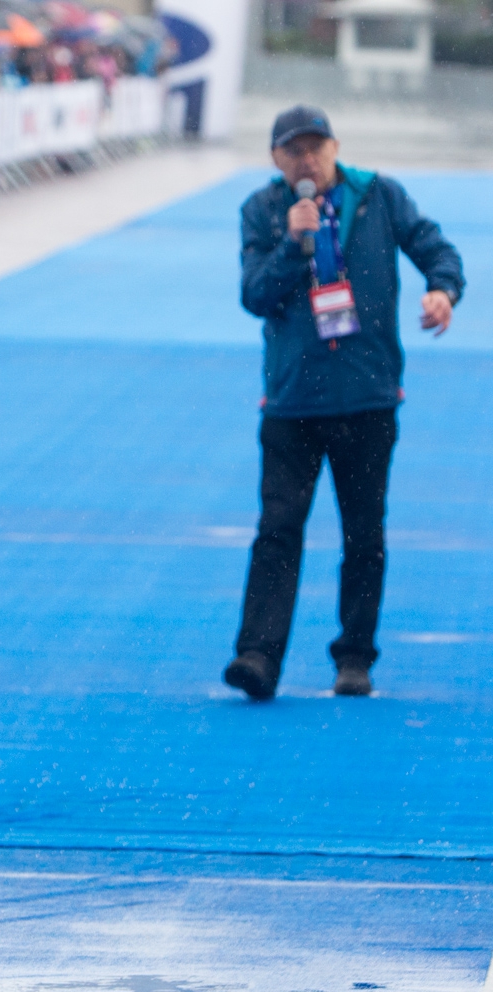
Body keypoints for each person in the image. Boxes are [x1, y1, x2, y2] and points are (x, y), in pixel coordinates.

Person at [224, 106, 465, 701]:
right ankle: (257, 656)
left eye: (315, 148)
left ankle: (354, 658)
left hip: (367, 395)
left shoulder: (380, 195)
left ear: (334, 147)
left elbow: (437, 249)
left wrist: (443, 290)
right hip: (291, 400)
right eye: (293, 151)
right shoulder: (263, 210)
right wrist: (294, 243)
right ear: (277, 160)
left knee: (364, 533)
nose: (306, 160)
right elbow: (255, 294)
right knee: (277, 530)